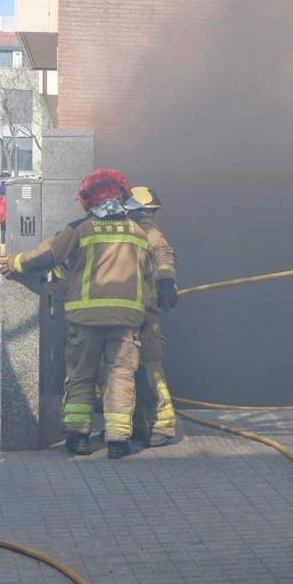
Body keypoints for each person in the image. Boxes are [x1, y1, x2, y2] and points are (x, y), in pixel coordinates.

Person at [0, 168, 153, 460]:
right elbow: (147, 276)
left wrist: (15, 263)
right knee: (120, 377)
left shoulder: (80, 230)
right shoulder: (138, 233)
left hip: (86, 320)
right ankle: (118, 440)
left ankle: (79, 437)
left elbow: (47, 257)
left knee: (81, 376)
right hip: (125, 320)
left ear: (87, 200)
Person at [128, 185, 181, 447]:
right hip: (127, 312)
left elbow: (163, 253)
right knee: (128, 372)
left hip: (145, 314)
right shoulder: (131, 230)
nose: (149, 217)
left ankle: (164, 425)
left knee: (151, 369)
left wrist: (166, 281)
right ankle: (138, 426)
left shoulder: (147, 231)